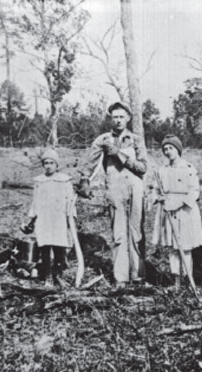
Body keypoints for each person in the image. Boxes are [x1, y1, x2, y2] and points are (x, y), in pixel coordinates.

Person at [77, 102, 148, 286]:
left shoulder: (136, 139)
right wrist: (84, 181)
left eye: (121, 117)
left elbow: (142, 167)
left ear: (128, 118)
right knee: (118, 233)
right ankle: (121, 278)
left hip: (135, 188)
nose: (118, 120)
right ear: (111, 118)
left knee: (136, 232)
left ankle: (138, 275)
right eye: (115, 117)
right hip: (115, 188)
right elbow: (89, 162)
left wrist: (119, 155)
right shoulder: (103, 140)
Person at [152, 135, 202, 283]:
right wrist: (158, 198)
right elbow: (155, 190)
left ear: (178, 149)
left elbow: (194, 191)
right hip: (168, 210)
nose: (168, 151)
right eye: (165, 149)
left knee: (185, 246)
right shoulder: (161, 170)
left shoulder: (188, 168)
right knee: (173, 248)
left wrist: (179, 204)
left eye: (171, 148)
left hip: (185, 211)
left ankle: (188, 278)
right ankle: (176, 281)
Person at [21, 149, 75, 287]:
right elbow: (35, 201)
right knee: (45, 247)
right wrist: (31, 219)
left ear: (57, 165)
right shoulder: (39, 181)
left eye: (52, 163)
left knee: (59, 247)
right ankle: (48, 276)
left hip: (59, 218)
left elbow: (70, 201)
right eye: (46, 163)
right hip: (44, 218)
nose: (49, 165)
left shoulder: (65, 181)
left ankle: (58, 275)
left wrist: (71, 219)